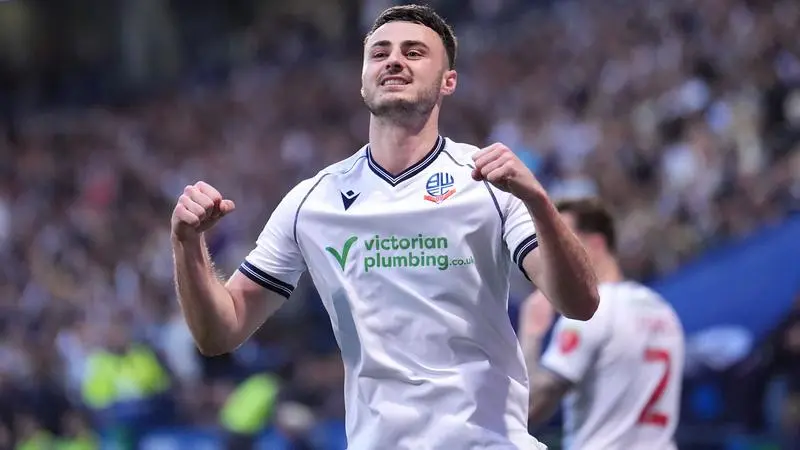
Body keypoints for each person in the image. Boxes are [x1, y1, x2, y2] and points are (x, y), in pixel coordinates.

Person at [170, 5, 599, 449]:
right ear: (363, 80)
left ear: (448, 81)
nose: (394, 60)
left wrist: (539, 201)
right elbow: (220, 332)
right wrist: (187, 243)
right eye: (379, 53)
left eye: (414, 52)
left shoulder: (489, 181)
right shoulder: (312, 202)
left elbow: (581, 302)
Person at [519, 198, 685, 450]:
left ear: (595, 245)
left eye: (558, 241)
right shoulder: (663, 310)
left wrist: (530, 333)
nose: (549, 255)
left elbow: (531, 406)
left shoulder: (592, 312)